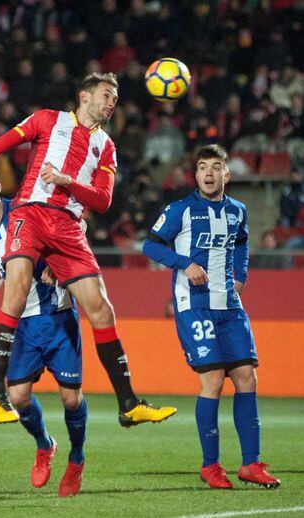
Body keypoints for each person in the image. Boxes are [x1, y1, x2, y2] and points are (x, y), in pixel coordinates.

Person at [0, 72, 176, 427]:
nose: (112, 103)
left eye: (115, 97)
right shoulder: (47, 119)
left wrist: (68, 182)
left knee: (102, 310)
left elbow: (104, 200)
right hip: (30, 213)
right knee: (15, 293)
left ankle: (128, 403)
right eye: (107, 95)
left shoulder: (106, 146)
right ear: (84, 95)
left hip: (67, 226)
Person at [143, 144, 280, 489]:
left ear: (226, 174)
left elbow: (242, 245)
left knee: (247, 377)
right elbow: (151, 245)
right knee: (214, 381)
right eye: (202, 167)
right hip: (195, 305)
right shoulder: (181, 210)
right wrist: (183, 264)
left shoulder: (238, 210)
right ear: (196, 175)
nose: (208, 173)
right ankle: (210, 465)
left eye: (215, 167)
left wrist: (241, 276)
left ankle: (251, 464)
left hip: (230, 306)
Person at [0, 165, 86, 497]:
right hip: (20, 323)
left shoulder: (28, 208)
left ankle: (77, 457)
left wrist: (58, 269)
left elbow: (75, 227)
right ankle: (45, 445)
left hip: (57, 315)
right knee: (17, 396)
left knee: (71, 399)